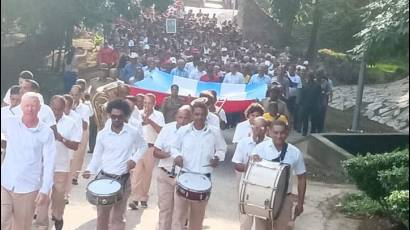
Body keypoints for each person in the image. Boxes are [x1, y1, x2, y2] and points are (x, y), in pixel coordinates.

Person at [83, 99, 148, 230]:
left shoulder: (133, 132)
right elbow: (96, 156)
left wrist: (134, 159)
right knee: (102, 216)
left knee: (118, 217)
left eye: (120, 117)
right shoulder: (102, 134)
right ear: (109, 116)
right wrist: (89, 170)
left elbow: (143, 146)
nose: (117, 120)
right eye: (113, 117)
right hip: (104, 178)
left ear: (125, 116)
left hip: (123, 179)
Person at [1, 92, 56, 230]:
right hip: (5, 183)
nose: (29, 109)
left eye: (33, 106)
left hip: (28, 187)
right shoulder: (10, 122)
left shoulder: (45, 132)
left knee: (21, 227)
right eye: (26, 106)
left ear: (39, 108)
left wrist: (45, 189)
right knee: (2, 220)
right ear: (21, 107)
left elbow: (50, 162)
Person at [171, 100, 227, 230]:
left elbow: (222, 149)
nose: (199, 117)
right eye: (197, 114)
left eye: (202, 114)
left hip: (204, 178)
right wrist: (177, 156)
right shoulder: (183, 131)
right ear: (192, 115)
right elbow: (173, 147)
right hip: (184, 176)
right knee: (178, 216)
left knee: (197, 219)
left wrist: (217, 158)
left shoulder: (214, 132)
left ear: (206, 115)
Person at [34, 96, 82, 230]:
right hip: (42, 164)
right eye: (54, 109)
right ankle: (42, 224)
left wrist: (61, 138)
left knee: (59, 195)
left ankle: (58, 215)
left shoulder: (71, 123)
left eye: (60, 110)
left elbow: (76, 145)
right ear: (50, 107)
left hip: (61, 164)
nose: (56, 113)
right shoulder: (40, 120)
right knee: (43, 194)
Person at [251, 120, 307, 229]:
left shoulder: (295, 152)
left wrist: (300, 203)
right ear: (269, 132)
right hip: (263, 196)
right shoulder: (260, 149)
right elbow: (251, 173)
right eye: (275, 132)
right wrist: (253, 162)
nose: (279, 136)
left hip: (284, 198)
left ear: (287, 133)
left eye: (282, 133)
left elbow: (302, 178)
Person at [153, 106, 193, 230]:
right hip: (164, 173)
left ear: (190, 119)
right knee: (165, 210)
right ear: (176, 117)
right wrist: (170, 155)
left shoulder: (194, 132)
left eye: (186, 118)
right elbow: (155, 152)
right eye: (180, 117)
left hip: (183, 177)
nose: (182, 120)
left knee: (180, 213)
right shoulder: (167, 128)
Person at [232, 117, 270, 230]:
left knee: (261, 220)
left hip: (264, 187)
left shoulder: (270, 144)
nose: (257, 130)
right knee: (245, 219)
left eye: (261, 128)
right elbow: (237, 165)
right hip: (246, 185)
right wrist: (250, 165)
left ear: (266, 130)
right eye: (255, 127)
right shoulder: (243, 142)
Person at [129, 93, 165, 209]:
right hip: (139, 148)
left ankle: (144, 197)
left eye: (149, 103)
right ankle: (134, 199)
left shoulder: (159, 115)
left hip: (151, 148)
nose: (146, 105)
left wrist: (149, 121)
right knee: (136, 174)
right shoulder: (137, 114)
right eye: (145, 103)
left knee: (147, 174)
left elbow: (161, 131)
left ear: (154, 104)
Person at [69, 85, 92, 186]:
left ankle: (75, 176)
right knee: (69, 155)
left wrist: (75, 113)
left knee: (79, 156)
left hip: (82, 132)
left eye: (76, 95)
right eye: (72, 95)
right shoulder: (66, 105)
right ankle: (68, 174)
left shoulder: (85, 108)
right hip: (70, 132)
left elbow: (85, 125)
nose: (74, 97)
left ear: (80, 95)